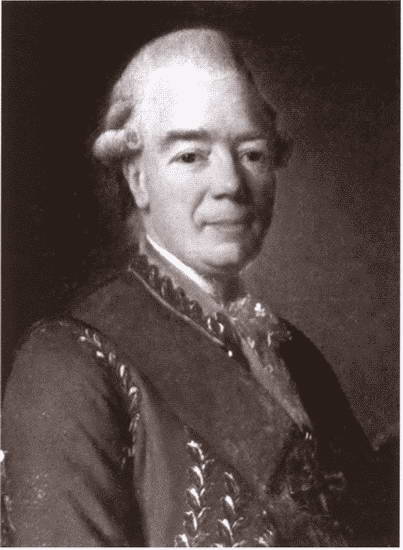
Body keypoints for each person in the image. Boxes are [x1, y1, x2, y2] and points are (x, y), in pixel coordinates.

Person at [1, 27, 388, 547]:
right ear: (138, 179)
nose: (230, 184)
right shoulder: (67, 362)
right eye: (190, 156)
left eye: (252, 154)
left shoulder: (296, 356)